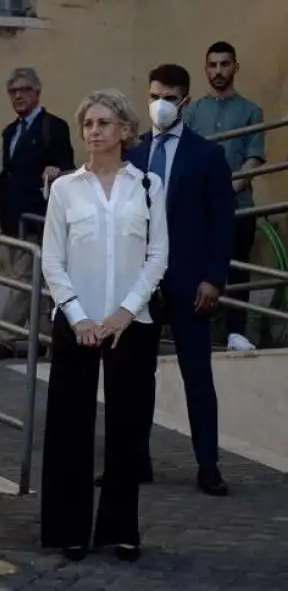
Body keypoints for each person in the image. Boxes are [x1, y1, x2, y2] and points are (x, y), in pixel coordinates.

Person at [40, 88, 168, 563]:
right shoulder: (65, 189)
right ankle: (70, 528)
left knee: (127, 428)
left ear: (125, 131)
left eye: (103, 123)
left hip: (131, 323)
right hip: (78, 323)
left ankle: (121, 528)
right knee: (71, 428)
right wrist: (78, 315)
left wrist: (125, 312)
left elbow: (158, 255)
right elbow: (52, 259)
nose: (94, 132)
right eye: (88, 124)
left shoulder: (149, 186)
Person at [125, 64, 235, 496]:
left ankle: (208, 465)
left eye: (169, 97)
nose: (160, 105)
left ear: (185, 102)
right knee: (137, 376)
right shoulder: (134, 155)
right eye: (154, 96)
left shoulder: (207, 156)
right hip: (142, 286)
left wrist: (214, 278)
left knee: (197, 376)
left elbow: (221, 221)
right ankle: (137, 460)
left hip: (191, 282)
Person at [0, 67, 74, 360]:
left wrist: (56, 170)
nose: (18, 96)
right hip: (13, 219)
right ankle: (47, 336)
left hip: (40, 219)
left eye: (24, 90)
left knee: (23, 279)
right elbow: (10, 170)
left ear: (37, 92)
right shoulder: (11, 131)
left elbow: (67, 167)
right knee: (34, 280)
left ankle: (5, 337)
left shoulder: (54, 126)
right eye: (13, 92)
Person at [184, 41, 266, 351]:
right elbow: (185, 155)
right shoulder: (193, 112)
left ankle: (236, 333)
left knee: (237, 268)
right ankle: (197, 332)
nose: (219, 71)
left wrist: (221, 192)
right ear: (205, 69)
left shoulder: (251, 111)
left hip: (237, 206)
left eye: (225, 64)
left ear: (235, 67)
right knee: (197, 269)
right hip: (197, 209)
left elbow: (254, 159)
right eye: (213, 65)